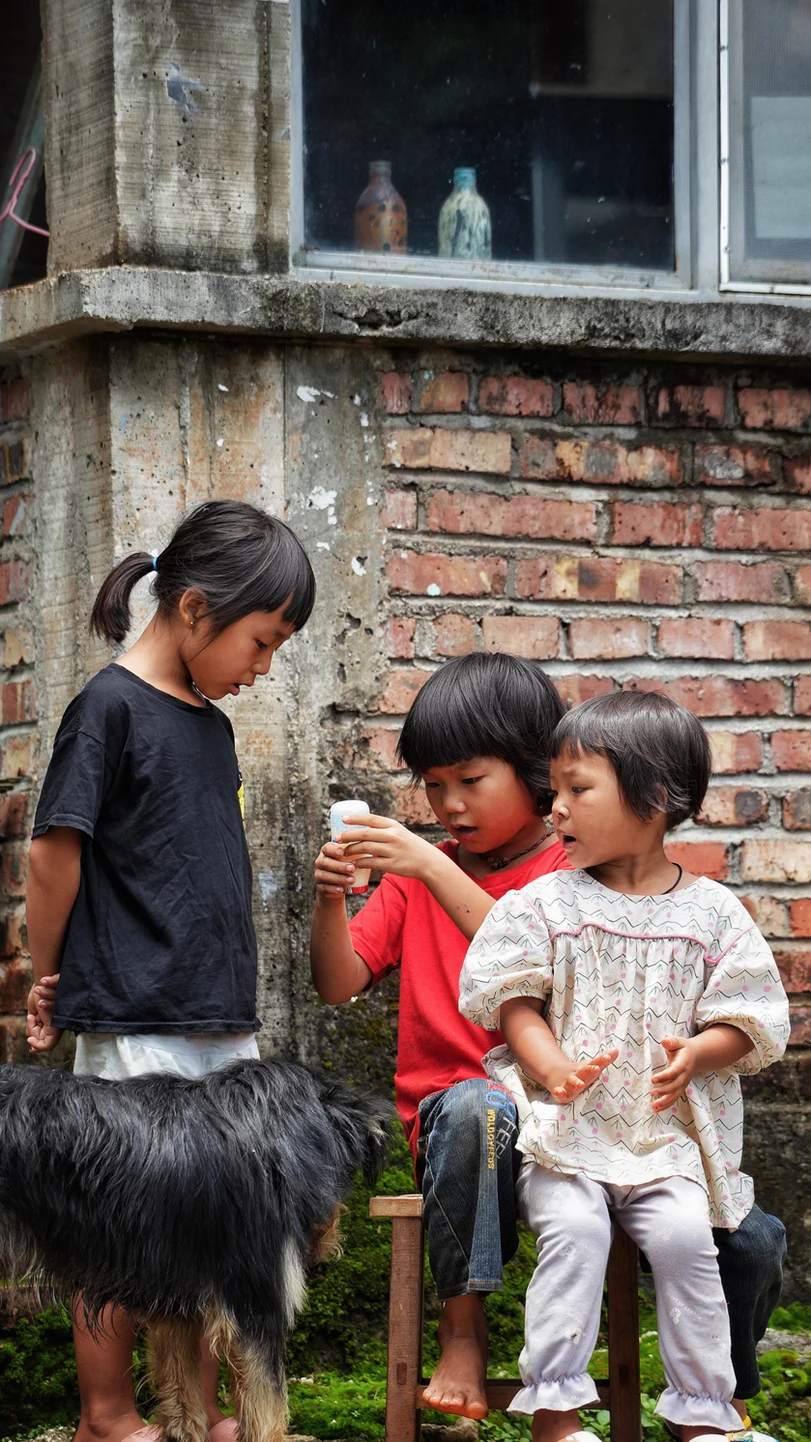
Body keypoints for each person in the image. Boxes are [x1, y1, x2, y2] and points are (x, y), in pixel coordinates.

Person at [25, 499, 315, 1442]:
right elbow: (53, 853)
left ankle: (205, 1411)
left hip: (219, 1016)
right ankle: (106, 1415)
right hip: (133, 1013)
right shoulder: (107, 709)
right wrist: (46, 973)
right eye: (260, 642)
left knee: (215, 1221)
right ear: (194, 610)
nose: (262, 667)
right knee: (115, 1220)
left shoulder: (211, 727)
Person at [458, 691, 791, 1442]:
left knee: (686, 1243)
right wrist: (552, 1067)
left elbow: (750, 1020)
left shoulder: (714, 915)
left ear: (653, 797)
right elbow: (513, 1004)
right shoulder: (545, 905)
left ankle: (703, 1414)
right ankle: (554, 1413)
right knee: (574, 1235)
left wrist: (699, 1052)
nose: (556, 809)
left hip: (662, 1141)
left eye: (578, 789)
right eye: (555, 789)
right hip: (565, 1136)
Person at [311, 653, 571, 1419]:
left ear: (535, 771)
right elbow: (337, 983)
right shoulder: (414, 877)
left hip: (563, 1119)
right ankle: (461, 1331)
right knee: (471, 1107)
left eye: (469, 780)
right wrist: (330, 901)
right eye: (432, 785)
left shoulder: (569, 872)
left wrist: (428, 864)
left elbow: (527, 960)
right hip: (453, 1123)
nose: (449, 804)